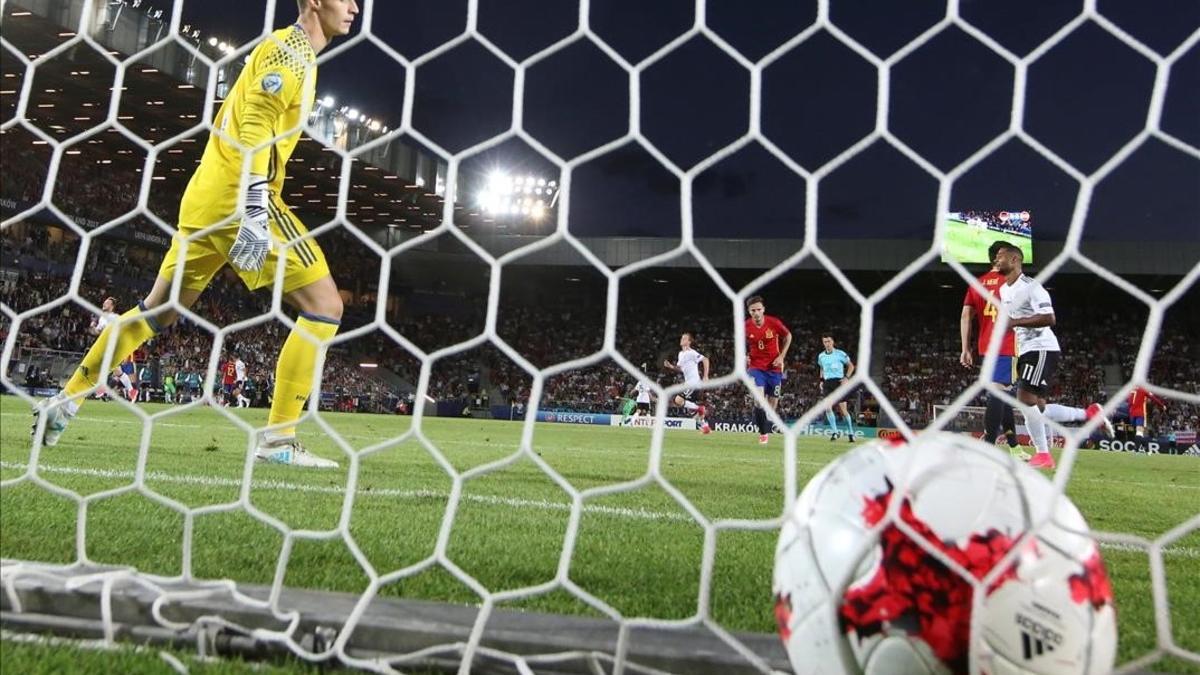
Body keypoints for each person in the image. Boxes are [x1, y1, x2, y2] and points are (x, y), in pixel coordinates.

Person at [32, 0, 360, 469]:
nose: (354, 7)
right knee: (326, 306)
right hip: (239, 197)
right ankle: (278, 438)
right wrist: (252, 208)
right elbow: (254, 127)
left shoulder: (297, 54)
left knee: (156, 312)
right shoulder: (289, 51)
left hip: (206, 197)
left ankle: (65, 402)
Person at [993, 243, 1113, 470]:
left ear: (1015, 260)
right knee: (1038, 406)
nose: (995, 260)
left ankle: (1043, 455)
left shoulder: (1031, 287)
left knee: (1025, 399)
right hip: (1026, 349)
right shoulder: (1004, 290)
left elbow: (1049, 318)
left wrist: (1015, 322)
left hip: (1041, 347)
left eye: (1000, 256)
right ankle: (1089, 413)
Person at [960, 240, 1027, 460]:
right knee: (999, 392)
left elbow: (966, 316)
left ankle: (1014, 446)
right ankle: (988, 446)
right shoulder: (1012, 282)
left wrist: (965, 348)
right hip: (1007, 345)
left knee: (1002, 394)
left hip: (985, 347)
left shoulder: (977, 284)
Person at [745, 295, 792, 445]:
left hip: (774, 368)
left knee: (772, 404)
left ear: (763, 309)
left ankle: (766, 427)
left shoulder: (774, 323)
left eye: (759, 309)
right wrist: (744, 355)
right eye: (753, 310)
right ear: (749, 311)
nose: (756, 313)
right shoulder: (745, 326)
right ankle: (763, 433)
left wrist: (782, 356)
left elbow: (788, 336)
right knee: (759, 400)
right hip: (756, 367)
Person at [662, 333, 711, 434]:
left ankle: (699, 409)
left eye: (684, 338)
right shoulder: (681, 354)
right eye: (682, 338)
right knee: (681, 403)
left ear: (689, 342)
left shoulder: (691, 352)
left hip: (694, 383)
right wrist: (671, 366)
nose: (682, 339)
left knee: (678, 400)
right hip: (688, 382)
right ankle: (705, 426)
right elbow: (681, 368)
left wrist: (705, 376)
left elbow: (705, 360)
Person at [817, 335, 856, 442]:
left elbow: (851, 366)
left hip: (839, 383)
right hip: (828, 383)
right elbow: (821, 368)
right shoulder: (821, 356)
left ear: (833, 342)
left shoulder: (840, 354)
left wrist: (846, 378)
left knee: (843, 411)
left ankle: (851, 433)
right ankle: (835, 432)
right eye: (825, 342)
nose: (827, 344)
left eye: (829, 341)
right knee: (828, 407)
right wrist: (821, 381)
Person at [1128, 386, 1166, 453]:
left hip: (1132, 414)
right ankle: (1136, 449)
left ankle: (1146, 449)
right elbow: (1153, 398)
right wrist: (1162, 405)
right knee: (1139, 432)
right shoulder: (1143, 390)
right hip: (1140, 413)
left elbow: (1129, 402)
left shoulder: (1131, 390)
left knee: (1139, 433)